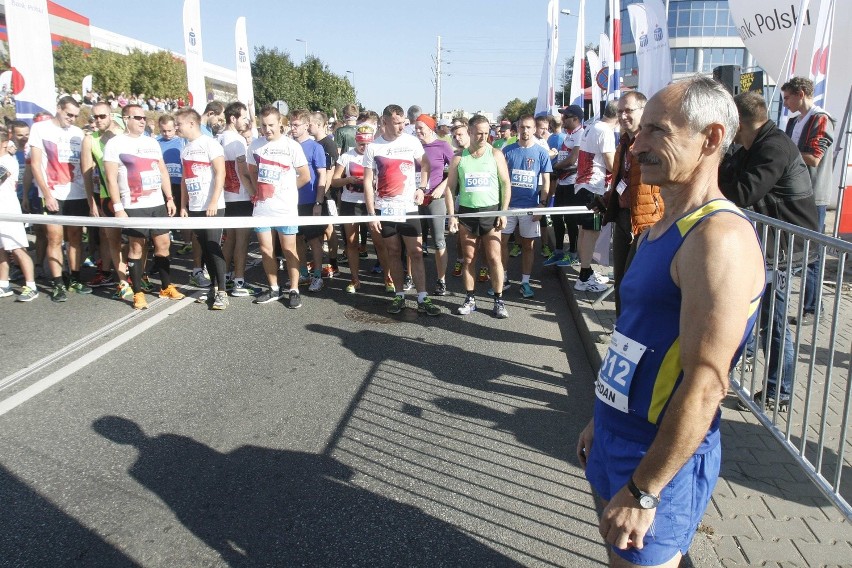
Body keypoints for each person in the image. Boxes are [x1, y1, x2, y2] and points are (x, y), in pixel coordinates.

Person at [576, 76, 765, 568]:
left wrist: (645, 490)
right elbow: (634, 333)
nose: (637, 145)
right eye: (640, 132)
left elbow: (707, 382)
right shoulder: (661, 224)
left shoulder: (717, 238)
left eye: (657, 131)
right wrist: (601, 418)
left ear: (712, 138)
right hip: (617, 433)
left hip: (658, 457)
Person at [719, 91, 818, 411]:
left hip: (785, 248)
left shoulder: (773, 146)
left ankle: (780, 389)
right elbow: (727, 175)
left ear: (739, 122)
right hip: (767, 244)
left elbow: (744, 192)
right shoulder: (754, 144)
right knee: (748, 312)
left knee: (772, 322)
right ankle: (739, 366)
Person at [103, 104, 184, 310]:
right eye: (137, 117)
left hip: (157, 203)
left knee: (163, 244)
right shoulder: (115, 144)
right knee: (136, 247)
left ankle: (165, 286)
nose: (142, 121)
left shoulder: (152, 142)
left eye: (144, 117)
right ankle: (137, 292)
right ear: (125, 118)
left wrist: (169, 198)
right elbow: (111, 179)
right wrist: (118, 207)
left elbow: (163, 171)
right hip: (133, 204)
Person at [363, 104, 440, 315]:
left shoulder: (411, 141)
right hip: (386, 208)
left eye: (404, 122)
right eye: (397, 123)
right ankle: (399, 295)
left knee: (415, 252)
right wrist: (371, 214)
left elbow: (426, 164)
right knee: (393, 252)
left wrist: (422, 188)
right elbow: (367, 182)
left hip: (409, 208)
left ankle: (423, 297)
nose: (402, 127)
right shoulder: (373, 147)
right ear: (384, 122)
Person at [602, 92, 664, 315]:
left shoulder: (654, 142)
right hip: (623, 219)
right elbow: (622, 180)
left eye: (628, 110)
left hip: (647, 224)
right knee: (620, 282)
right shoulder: (624, 143)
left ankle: (634, 334)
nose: (623, 115)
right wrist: (605, 200)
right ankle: (622, 332)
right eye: (620, 111)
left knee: (634, 285)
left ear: (643, 111)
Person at [446, 114, 512, 318]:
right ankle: (470, 298)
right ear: (470, 132)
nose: (483, 137)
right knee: (468, 259)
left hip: (491, 212)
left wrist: (503, 211)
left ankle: (499, 300)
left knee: (494, 258)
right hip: (467, 213)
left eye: (487, 133)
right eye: (479, 133)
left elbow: (505, 184)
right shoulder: (459, 157)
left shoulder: (496, 154)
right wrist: (452, 215)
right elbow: (450, 188)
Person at [781, 76, 835, 324]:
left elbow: (814, 157)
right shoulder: (793, 122)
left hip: (814, 195)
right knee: (797, 251)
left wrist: (784, 155)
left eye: (788, 97)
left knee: (812, 253)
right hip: (795, 194)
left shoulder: (821, 118)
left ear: (801, 93)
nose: (785, 103)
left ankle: (813, 308)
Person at [246, 105, 310, 309]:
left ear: (280, 123)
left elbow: (305, 176)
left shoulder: (292, 146)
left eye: (271, 125)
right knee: (266, 249)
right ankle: (273, 288)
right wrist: (256, 193)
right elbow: (251, 173)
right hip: (262, 208)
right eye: (263, 126)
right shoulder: (254, 146)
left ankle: (293, 289)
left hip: (286, 208)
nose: (267, 130)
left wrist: (287, 190)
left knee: (289, 249)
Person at [28, 95, 91, 302]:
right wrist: (46, 194)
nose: (72, 118)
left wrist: (89, 197)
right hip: (53, 193)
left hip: (77, 193)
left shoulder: (78, 133)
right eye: (68, 114)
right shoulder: (40, 129)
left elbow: (84, 165)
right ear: (58, 109)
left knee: (75, 238)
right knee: (54, 237)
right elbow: (36, 165)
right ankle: (57, 284)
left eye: (75, 115)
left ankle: (74, 278)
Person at [175, 108, 229, 310]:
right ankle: (213, 288)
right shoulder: (185, 149)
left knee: (214, 247)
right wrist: (183, 205)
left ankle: (222, 292)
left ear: (191, 123)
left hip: (212, 206)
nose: (177, 127)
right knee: (204, 250)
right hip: (194, 206)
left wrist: (214, 201)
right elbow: (184, 179)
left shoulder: (210, 144)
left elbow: (220, 172)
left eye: (179, 123)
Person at [500, 114, 552, 299]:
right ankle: (503, 279)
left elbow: (546, 182)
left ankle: (525, 282)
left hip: (531, 207)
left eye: (529, 127)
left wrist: (542, 205)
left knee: (528, 246)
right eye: (522, 127)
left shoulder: (541, 152)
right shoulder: (507, 151)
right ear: (517, 128)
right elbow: (501, 180)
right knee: (502, 243)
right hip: (509, 206)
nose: (525, 131)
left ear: (534, 129)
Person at [573, 103, 618, 293]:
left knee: (585, 232)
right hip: (594, 187)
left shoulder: (591, 126)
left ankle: (587, 271)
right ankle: (583, 276)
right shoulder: (605, 131)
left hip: (583, 184)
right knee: (591, 233)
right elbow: (610, 163)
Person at [218, 101, 256, 298]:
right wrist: (253, 193)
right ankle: (239, 280)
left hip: (226, 196)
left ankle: (222, 278)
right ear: (233, 119)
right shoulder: (237, 140)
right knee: (242, 240)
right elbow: (243, 171)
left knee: (230, 239)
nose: (246, 122)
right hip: (240, 196)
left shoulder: (219, 138)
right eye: (244, 118)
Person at [413, 114, 454, 295]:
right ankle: (411, 277)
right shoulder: (412, 146)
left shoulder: (442, 146)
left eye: (421, 128)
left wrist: (442, 187)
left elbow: (455, 169)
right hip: (414, 199)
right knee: (414, 241)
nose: (418, 131)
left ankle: (441, 280)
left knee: (438, 241)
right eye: (416, 128)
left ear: (431, 128)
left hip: (435, 199)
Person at [290, 109, 329, 293]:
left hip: (310, 200)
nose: (293, 128)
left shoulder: (316, 147)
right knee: (297, 239)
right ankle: (304, 272)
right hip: (291, 202)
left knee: (314, 240)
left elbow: (322, 176)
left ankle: (318, 275)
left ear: (307, 125)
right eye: (292, 124)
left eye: (296, 125)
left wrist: (318, 202)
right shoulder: (288, 145)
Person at [0, 129, 38, 302]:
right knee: (1, 249)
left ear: (3, 143)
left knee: (18, 249)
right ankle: (4, 284)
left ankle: (31, 286)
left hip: (9, 212)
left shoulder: (8, 161)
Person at [545, 105, 584, 267]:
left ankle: (573, 253)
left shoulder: (580, 134)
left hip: (572, 183)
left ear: (575, 119)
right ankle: (559, 251)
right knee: (556, 216)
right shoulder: (568, 135)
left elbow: (573, 159)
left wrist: (555, 167)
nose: (562, 119)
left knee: (570, 218)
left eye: (566, 116)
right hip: (562, 181)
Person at [309, 111, 341, 278]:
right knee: (318, 230)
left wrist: (323, 194)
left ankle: (334, 263)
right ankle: (318, 261)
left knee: (329, 228)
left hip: (327, 194)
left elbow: (331, 170)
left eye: (311, 124)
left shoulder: (328, 144)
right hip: (316, 193)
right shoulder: (313, 143)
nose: (308, 127)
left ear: (320, 125)